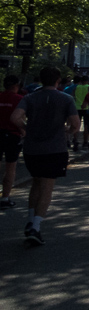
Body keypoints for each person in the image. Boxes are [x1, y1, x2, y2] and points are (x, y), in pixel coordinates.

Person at [10, 66, 80, 246]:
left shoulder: (30, 97)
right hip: (55, 148)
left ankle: (30, 219)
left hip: (33, 148)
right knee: (47, 187)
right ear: (58, 81)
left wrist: (26, 127)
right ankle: (36, 227)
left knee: (36, 182)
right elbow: (75, 124)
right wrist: (69, 132)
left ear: (41, 80)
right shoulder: (66, 98)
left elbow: (15, 118)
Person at [0, 75, 25, 209]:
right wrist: (24, 130)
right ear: (17, 85)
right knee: (10, 167)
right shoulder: (19, 100)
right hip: (12, 135)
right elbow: (21, 118)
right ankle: (5, 198)